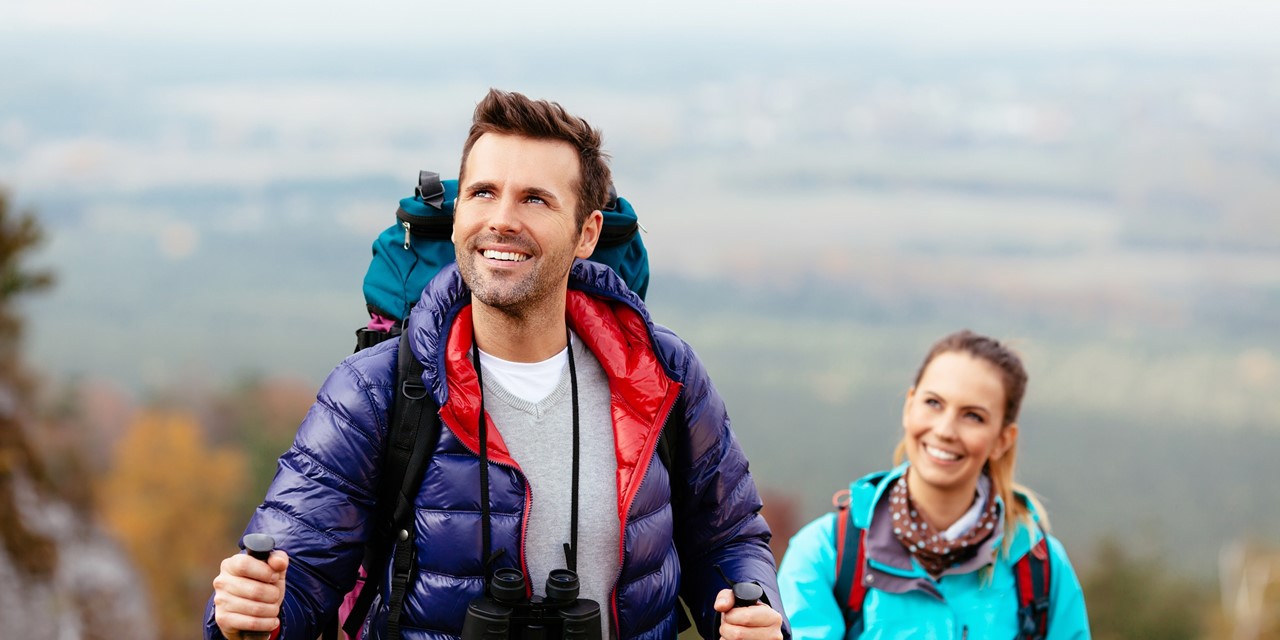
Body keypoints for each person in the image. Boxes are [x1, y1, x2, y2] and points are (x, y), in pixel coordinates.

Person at [206, 89, 787, 640]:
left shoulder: (660, 375)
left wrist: (753, 607)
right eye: (483, 193)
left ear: (587, 233)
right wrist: (253, 613)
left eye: (534, 199)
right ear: (457, 215)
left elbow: (730, 537)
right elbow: (295, 561)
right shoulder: (377, 389)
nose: (501, 219)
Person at [776, 330, 1090, 639]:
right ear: (909, 406)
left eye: (974, 416)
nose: (945, 430)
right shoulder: (825, 554)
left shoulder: (1040, 568)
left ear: (1002, 440)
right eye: (934, 403)